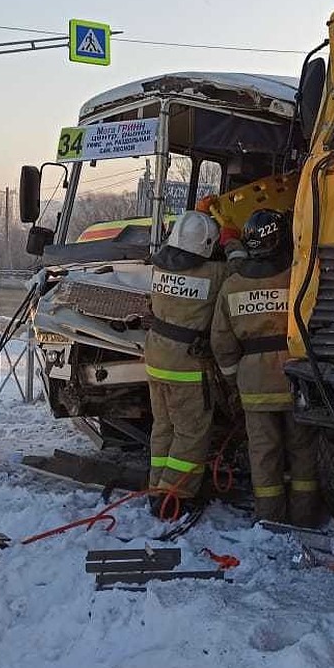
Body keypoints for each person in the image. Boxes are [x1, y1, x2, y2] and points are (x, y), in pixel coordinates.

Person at [211, 210, 321, 526]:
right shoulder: (299, 276)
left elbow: (221, 341)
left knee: (263, 453)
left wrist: (233, 380)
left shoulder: (232, 285)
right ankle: (305, 515)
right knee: (303, 450)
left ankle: (270, 518)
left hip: (254, 382)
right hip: (295, 377)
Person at [145, 212, 227, 515]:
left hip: (155, 361)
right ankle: (173, 498)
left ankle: (156, 487)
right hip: (187, 368)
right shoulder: (216, 273)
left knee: (163, 428)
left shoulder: (158, 268)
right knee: (191, 433)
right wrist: (232, 243)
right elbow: (247, 272)